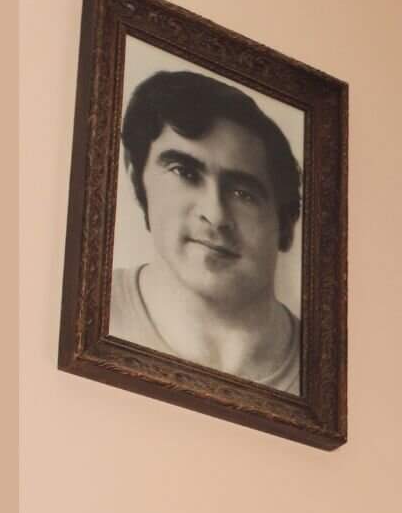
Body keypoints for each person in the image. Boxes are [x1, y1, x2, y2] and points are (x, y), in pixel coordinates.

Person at [110, 68, 305, 395]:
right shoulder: (88, 307)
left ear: (285, 226)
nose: (215, 215)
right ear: (136, 178)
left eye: (243, 193)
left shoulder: (323, 375)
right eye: (184, 172)